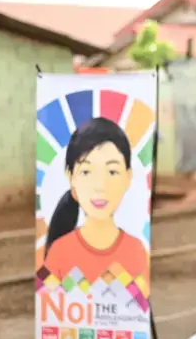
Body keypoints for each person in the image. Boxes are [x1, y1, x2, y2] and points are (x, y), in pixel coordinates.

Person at [43, 117, 149, 284]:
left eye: (112, 172)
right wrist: (80, 287)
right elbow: (45, 296)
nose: (100, 186)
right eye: (86, 172)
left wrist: (116, 281)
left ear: (128, 177)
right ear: (71, 178)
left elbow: (141, 304)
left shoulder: (136, 250)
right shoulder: (60, 251)